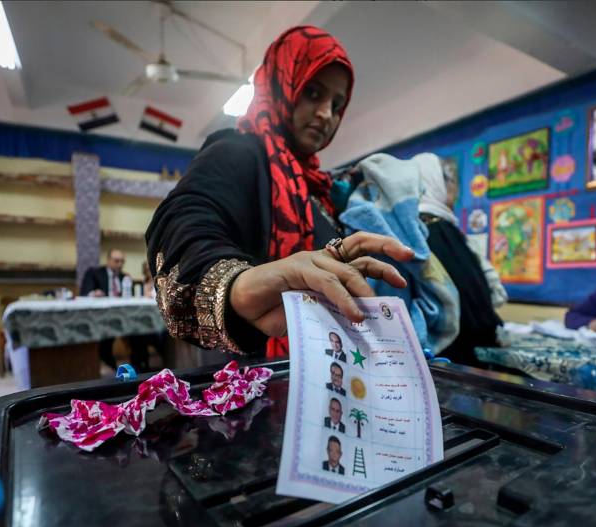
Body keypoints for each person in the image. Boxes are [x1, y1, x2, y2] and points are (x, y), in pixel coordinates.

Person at [145, 26, 413, 359]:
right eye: (313, 93)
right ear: (281, 85)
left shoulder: (318, 187)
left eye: (337, 104)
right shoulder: (238, 152)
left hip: (322, 372)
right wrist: (238, 288)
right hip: (251, 379)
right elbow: (185, 219)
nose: (326, 114)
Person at [412, 153, 505, 364]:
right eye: (452, 182)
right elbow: (477, 312)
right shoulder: (438, 231)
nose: (455, 191)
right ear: (436, 182)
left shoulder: (419, 228)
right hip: (455, 362)